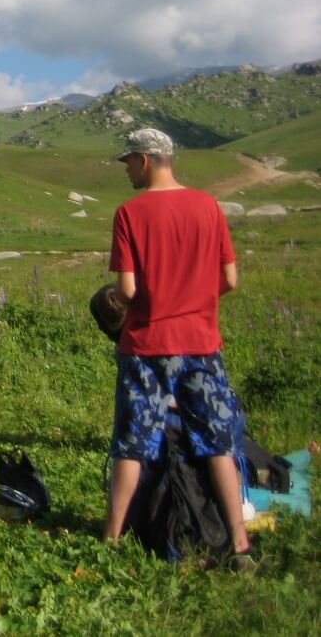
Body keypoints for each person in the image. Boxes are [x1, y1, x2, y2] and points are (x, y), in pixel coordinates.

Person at [102, 128, 253, 564]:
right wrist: (195, 303)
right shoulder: (208, 206)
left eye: (128, 161)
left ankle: (111, 539)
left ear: (146, 160)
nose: (127, 169)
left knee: (132, 441)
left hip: (146, 345)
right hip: (201, 342)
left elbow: (127, 290)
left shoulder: (130, 213)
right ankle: (239, 543)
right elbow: (229, 280)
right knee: (217, 441)